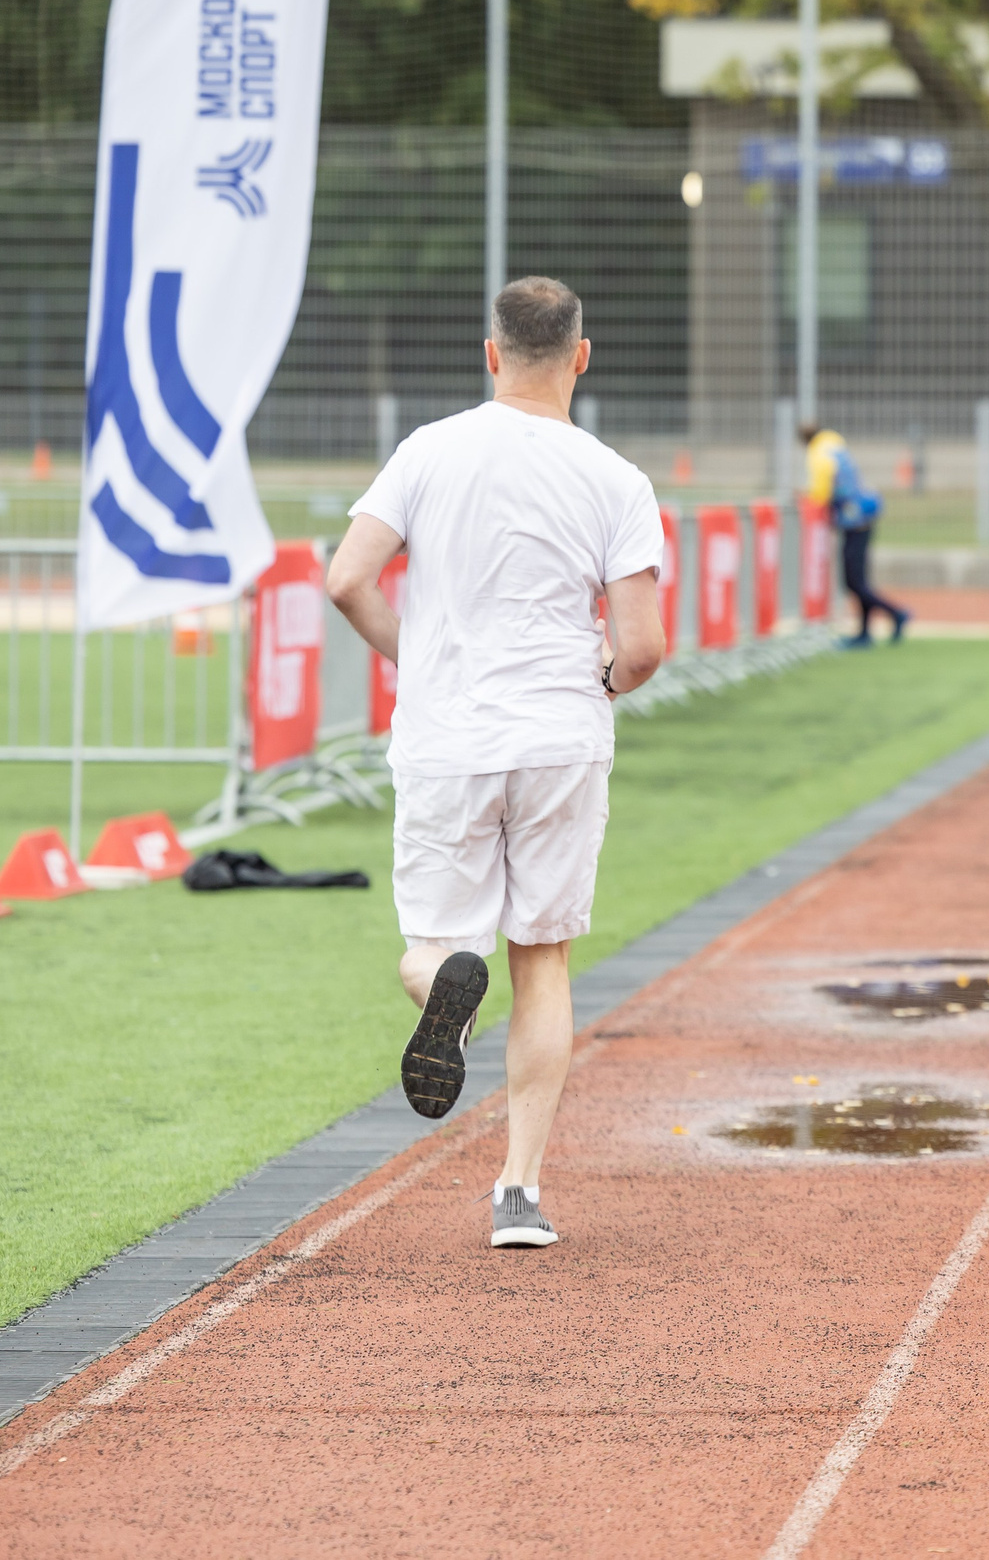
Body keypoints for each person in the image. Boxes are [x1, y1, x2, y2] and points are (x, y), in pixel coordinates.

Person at [326, 277, 665, 1251]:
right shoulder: (614, 477)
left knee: (434, 941)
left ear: (490, 353)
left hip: (449, 734)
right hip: (559, 732)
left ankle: (441, 985)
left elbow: (346, 577)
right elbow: (641, 649)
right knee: (544, 955)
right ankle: (518, 1190)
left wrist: (417, 655)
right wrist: (595, 678)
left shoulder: (427, 451)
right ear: (581, 357)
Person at [805, 418, 908, 647]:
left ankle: (896, 613)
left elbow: (820, 492)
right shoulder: (835, 447)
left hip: (854, 521)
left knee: (855, 582)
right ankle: (865, 632)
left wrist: (810, 501)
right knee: (858, 581)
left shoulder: (819, 454)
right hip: (861, 517)